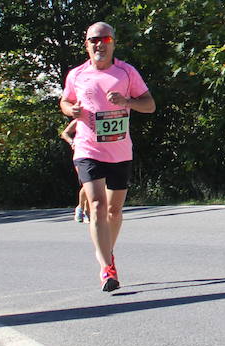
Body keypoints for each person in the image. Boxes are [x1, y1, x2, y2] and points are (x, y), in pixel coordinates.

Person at [60, 22, 155, 292]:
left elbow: (149, 105)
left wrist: (127, 102)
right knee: (98, 206)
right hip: (88, 149)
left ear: (113, 42)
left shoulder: (126, 72)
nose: (99, 44)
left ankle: (107, 252)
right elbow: (65, 101)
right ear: (86, 44)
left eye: (105, 38)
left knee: (114, 210)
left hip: (120, 150)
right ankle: (106, 268)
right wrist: (71, 111)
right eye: (94, 39)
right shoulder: (76, 74)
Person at [60, 120, 91, 223]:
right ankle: (81, 209)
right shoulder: (80, 119)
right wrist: (71, 142)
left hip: (98, 154)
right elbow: (65, 133)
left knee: (95, 184)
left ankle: (86, 210)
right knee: (87, 184)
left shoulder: (101, 115)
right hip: (82, 155)